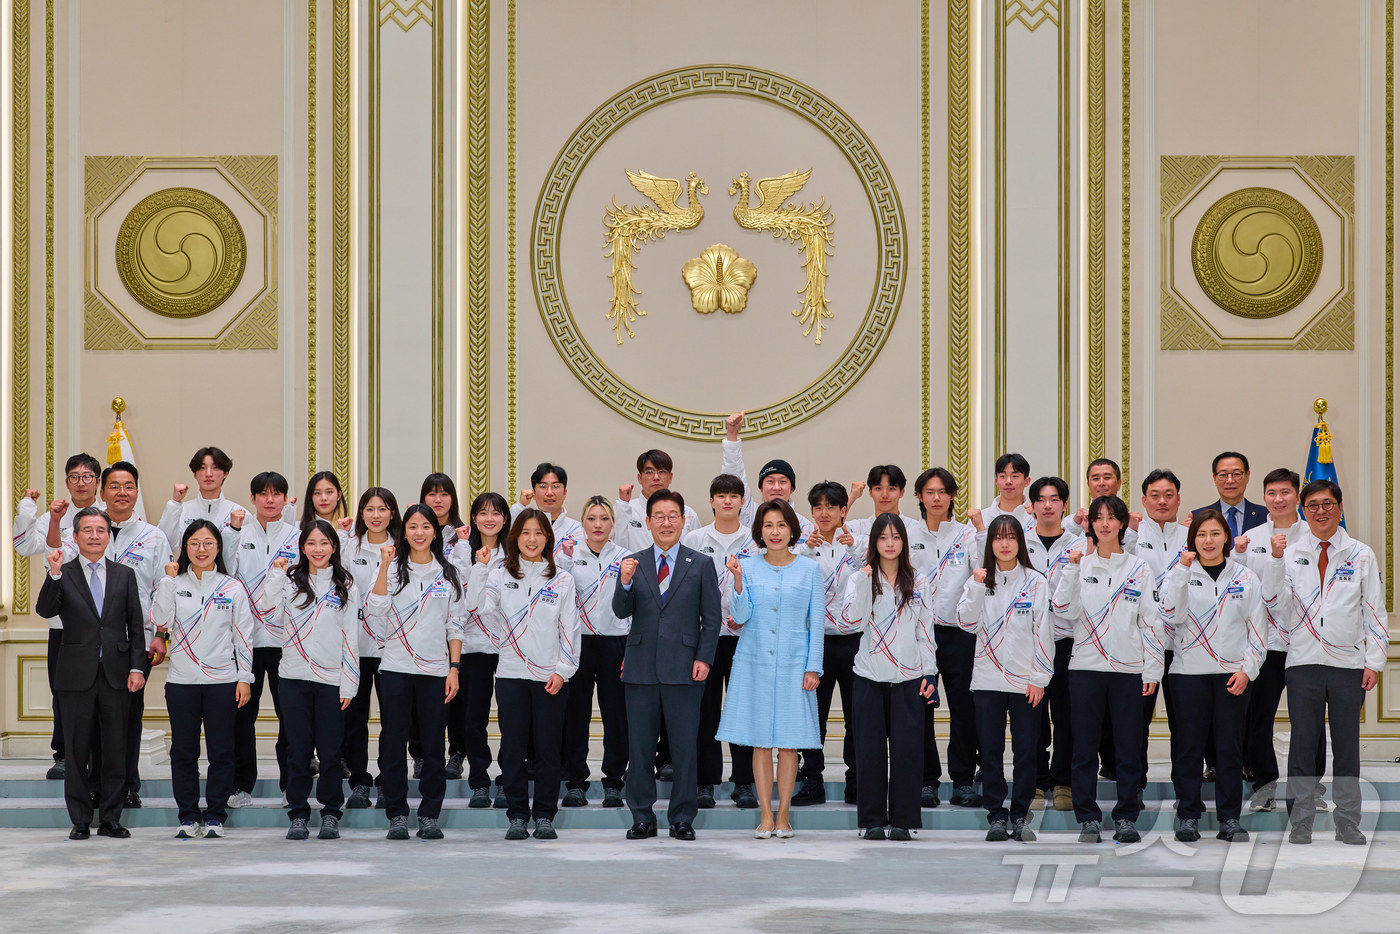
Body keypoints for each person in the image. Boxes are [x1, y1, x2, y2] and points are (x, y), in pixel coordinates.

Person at [1264, 479, 1386, 846]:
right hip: (1302, 661)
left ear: (1340, 508)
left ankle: (1348, 821)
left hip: (1349, 663)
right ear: (1303, 510)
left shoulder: (1360, 554)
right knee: (1303, 742)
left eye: (1328, 504)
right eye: (1313, 505)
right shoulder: (1290, 553)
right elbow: (1274, 603)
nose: (1321, 511)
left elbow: (1374, 612)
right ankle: (1300, 820)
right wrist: (1272, 561)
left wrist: (1374, 662)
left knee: (1346, 745)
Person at [1052, 495, 1165, 844]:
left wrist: (1152, 670)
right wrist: (1071, 569)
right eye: (1097, 518)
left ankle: (1126, 817)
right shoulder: (1078, 566)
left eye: (1110, 517)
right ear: (1090, 525)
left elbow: (1151, 622)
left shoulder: (1139, 568)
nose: (1104, 524)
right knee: (1083, 747)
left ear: (1120, 523)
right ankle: (1087, 817)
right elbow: (1062, 611)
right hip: (1085, 668)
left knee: (1128, 748)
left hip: (1129, 671)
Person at [612, 489, 722, 842]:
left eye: (672, 516)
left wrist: (704, 658)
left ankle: (681, 818)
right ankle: (642, 816)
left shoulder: (701, 563)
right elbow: (620, 611)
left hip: (685, 669)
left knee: (684, 748)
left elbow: (712, 619)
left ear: (684, 520)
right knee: (640, 748)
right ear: (647, 522)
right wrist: (624, 582)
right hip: (640, 669)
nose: (666, 522)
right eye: (658, 516)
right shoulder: (634, 561)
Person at [36, 507, 149, 840]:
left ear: (108, 536)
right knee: (76, 749)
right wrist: (53, 575)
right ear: (76, 536)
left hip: (116, 674)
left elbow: (135, 625)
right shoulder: (63, 571)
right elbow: (45, 609)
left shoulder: (124, 574)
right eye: (88, 530)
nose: (95, 536)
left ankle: (112, 818)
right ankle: (81, 819)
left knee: (115, 748)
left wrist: (136, 666)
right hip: (74, 676)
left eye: (101, 530)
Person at [468, 509, 581, 840]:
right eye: (525, 533)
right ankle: (517, 814)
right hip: (511, 675)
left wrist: (563, 671)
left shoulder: (562, 579)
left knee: (548, 750)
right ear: (515, 537)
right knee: (513, 748)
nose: (532, 539)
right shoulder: (500, 574)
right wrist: (480, 567)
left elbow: (570, 630)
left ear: (548, 538)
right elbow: (477, 607)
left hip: (550, 678)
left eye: (539, 533)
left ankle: (544, 815)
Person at [717, 500, 824, 838]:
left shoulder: (809, 569)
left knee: (790, 743)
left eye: (781, 525)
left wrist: (814, 667)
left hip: (795, 663)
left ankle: (784, 815)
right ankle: (765, 815)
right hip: (755, 663)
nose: (775, 532)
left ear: (792, 529)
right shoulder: (747, 567)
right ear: (759, 532)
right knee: (761, 742)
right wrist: (736, 581)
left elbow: (817, 623)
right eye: (768, 526)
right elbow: (742, 616)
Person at [1158, 509, 1266, 843]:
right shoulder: (1179, 573)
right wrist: (1180, 571)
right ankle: (1188, 815)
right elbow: (1169, 616)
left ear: (1226, 539)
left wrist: (1247, 671)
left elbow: (1258, 632)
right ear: (1193, 540)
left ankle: (1230, 818)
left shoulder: (1245, 578)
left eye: (1215, 534)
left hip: (1232, 676)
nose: (1208, 540)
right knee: (1188, 748)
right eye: (1202, 534)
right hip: (1187, 674)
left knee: (1229, 749)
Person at [366, 504, 468, 841]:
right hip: (395, 668)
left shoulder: (448, 573)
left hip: (436, 670)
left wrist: (454, 668)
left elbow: (456, 625)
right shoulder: (393, 570)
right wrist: (382, 565)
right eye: (413, 526)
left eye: (426, 526)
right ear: (404, 531)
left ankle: (428, 815)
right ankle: (396, 813)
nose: (419, 532)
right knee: (392, 743)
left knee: (433, 746)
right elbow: (376, 609)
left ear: (435, 532)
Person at [151, 520, 255, 838]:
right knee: (183, 750)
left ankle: (214, 815)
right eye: (194, 543)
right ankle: (188, 815)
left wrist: (244, 678)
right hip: (182, 681)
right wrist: (168, 582)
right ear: (185, 548)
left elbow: (243, 637)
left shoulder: (231, 587)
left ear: (218, 548)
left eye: (208, 543)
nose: (201, 549)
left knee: (221, 749)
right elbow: (160, 620)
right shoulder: (174, 582)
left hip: (223, 680)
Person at [838, 514, 938, 841]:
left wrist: (930, 673)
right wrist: (867, 583)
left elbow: (925, 633)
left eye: (896, 538)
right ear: (874, 543)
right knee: (870, 752)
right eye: (883, 538)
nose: (890, 544)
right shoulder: (859, 578)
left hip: (909, 678)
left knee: (908, 752)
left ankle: (903, 821)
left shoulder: (918, 580)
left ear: (904, 543)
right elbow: (852, 619)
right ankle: (872, 820)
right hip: (869, 677)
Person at [956, 515, 1053, 842]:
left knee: (1027, 752)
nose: (1005, 543)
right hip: (987, 681)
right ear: (990, 543)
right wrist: (975, 586)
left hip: (1026, 682)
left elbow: (1044, 632)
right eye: (998, 538)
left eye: (1011, 537)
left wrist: (1039, 677)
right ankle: (996, 815)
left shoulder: (1036, 581)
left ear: (1020, 542)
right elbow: (966, 624)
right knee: (991, 752)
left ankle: (1020, 816)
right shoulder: (980, 580)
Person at [264, 520, 360, 841]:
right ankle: (299, 813)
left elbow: (351, 640)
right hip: (293, 680)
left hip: (331, 682)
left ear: (334, 547)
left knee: (331, 751)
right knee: (298, 750)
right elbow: (268, 613)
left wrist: (349, 684)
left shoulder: (346, 586)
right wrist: (276, 573)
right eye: (311, 544)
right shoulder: (291, 582)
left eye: (324, 543)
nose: (317, 550)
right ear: (302, 547)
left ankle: (331, 812)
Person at [1232, 467, 1319, 812]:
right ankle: (1263, 784)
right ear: (1264, 497)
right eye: (1271, 493)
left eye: (1285, 493)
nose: (1278, 499)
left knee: (1308, 720)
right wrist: (1237, 554)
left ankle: (1309, 789)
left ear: (1297, 497)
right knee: (1259, 718)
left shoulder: (1314, 536)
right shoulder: (1251, 538)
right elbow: (1240, 588)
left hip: (1306, 642)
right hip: (1264, 643)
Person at [13, 452, 103, 779]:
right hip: (62, 624)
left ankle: (100, 756)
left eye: (87, 476)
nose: (81, 482)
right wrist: (29, 510)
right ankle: (64, 754)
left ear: (97, 480)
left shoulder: (107, 517)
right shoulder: (55, 515)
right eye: (75, 477)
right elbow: (24, 545)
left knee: (103, 693)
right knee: (63, 691)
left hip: (101, 623)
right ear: (67, 482)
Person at [94, 462, 171, 808]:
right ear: (101, 491)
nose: (121, 492)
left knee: (128, 713)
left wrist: (161, 635)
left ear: (136, 492)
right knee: (94, 713)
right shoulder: (89, 531)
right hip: (93, 642)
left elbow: (163, 590)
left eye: (128, 486)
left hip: (136, 640)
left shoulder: (154, 537)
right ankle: (96, 784)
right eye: (114, 485)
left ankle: (127, 784)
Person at [682, 473, 761, 810]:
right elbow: (685, 590)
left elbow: (762, 588)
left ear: (743, 502)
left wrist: (743, 616)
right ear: (711, 501)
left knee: (743, 710)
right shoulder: (695, 538)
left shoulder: (756, 542)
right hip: (706, 638)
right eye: (721, 495)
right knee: (705, 711)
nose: (727, 501)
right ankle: (705, 782)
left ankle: (744, 782)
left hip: (745, 637)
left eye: (734, 495)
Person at [223, 471, 301, 809]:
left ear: (285, 499)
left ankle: (291, 786)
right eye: (263, 494)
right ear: (252, 499)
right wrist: (232, 531)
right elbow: (225, 569)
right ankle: (241, 785)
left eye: (276, 494)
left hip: (287, 642)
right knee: (242, 717)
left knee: (291, 717)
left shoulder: (299, 538)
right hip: (247, 641)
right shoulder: (237, 533)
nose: (270, 500)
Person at [908, 466, 980, 810]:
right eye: (929, 492)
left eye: (942, 492)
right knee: (921, 708)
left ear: (952, 496)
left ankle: (964, 780)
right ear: (920, 497)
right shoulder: (907, 533)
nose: (936, 498)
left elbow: (983, 574)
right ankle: (926, 780)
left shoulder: (967, 535)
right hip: (921, 633)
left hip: (961, 634)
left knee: (964, 709)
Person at [792, 481, 867, 806]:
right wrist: (806, 550)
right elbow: (792, 582)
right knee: (814, 716)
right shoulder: (801, 547)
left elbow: (873, 578)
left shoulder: (860, 544)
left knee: (857, 716)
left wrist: (854, 550)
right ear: (811, 512)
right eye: (818, 507)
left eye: (831, 507)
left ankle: (857, 783)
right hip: (816, 642)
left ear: (842, 510)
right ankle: (812, 782)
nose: (824, 513)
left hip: (854, 642)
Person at [559, 496, 630, 809]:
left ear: (613, 524)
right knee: (576, 716)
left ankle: (614, 781)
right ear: (583, 523)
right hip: (580, 644)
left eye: (604, 519)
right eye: (591, 519)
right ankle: (576, 782)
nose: (598, 525)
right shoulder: (568, 556)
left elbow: (636, 606)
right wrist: (565, 561)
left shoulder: (627, 557)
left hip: (616, 643)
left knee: (617, 716)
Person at [1021, 476, 1083, 811]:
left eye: (1055, 499)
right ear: (1031, 506)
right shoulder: (1018, 542)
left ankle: (1063, 783)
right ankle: (1034, 783)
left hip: (1067, 642)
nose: (1048, 505)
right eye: (1041, 499)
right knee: (1031, 718)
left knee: (1066, 715)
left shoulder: (1079, 545)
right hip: (1028, 644)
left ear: (1064, 505)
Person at [340, 487, 401, 810]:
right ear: (361, 513)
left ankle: (390, 781)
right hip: (356, 646)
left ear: (392, 513)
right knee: (355, 721)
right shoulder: (348, 547)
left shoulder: (403, 549)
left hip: (394, 648)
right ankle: (360, 781)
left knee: (393, 721)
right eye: (370, 509)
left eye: (382, 509)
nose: (376, 515)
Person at [449, 492, 509, 806]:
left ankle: (508, 779)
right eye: (483, 513)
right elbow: (462, 599)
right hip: (473, 645)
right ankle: (479, 781)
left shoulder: (514, 553)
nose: (489, 518)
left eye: (496, 512)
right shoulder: (461, 553)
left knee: (513, 718)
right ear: (473, 518)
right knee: (475, 719)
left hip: (510, 646)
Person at [718, 410, 815, 537]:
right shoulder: (750, 515)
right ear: (761, 488)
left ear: (791, 489)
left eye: (783, 481)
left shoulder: (804, 526)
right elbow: (734, 480)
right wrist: (732, 434)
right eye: (770, 481)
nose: (776, 487)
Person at [613, 449, 700, 554]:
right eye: (649, 472)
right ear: (639, 478)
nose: (656, 477)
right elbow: (614, 550)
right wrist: (622, 506)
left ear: (670, 477)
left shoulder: (688, 513)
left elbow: (696, 556)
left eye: (662, 471)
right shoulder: (625, 508)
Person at [158, 447, 239, 551]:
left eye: (215, 467)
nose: (208, 474)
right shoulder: (181, 509)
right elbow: (166, 544)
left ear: (225, 473)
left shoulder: (238, 514)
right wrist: (174, 503)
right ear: (195, 474)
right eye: (202, 468)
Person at [513, 462, 583, 560]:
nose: (549, 493)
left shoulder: (579, 530)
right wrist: (520, 506)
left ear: (565, 493)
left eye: (555, 486)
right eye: (543, 487)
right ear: (533, 493)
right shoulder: (522, 526)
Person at [1192, 451, 1267, 539]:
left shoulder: (1265, 515)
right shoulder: (1198, 516)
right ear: (1214, 478)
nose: (1230, 481)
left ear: (1247, 476)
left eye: (1236, 474)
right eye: (1223, 475)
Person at [847, 465, 917, 538]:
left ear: (902, 492)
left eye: (891, 489)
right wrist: (852, 497)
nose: (884, 495)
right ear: (870, 492)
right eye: (878, 488)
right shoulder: (858, 528)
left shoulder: (914, 528)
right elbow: (836, 531)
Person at [975, 453, 1032, 525]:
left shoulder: (1034, 518)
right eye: (1003, 476)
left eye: (1015, 476)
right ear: (996, 481)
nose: (1008, 481)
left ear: (1026, 481)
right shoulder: (982, 518)